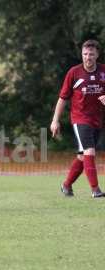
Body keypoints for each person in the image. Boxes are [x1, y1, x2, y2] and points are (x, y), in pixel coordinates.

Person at [51, 39, 105, 198]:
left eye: (91, 54)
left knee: (82, 157)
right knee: (89, 151)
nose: (88, 57)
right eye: (85, 54)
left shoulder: (103, 71)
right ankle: (95, 190)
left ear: (97, 55)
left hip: (97, 121)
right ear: (82, 55)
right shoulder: (74, 73)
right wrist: (55, 120)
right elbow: (62, 98)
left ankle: (66, 186)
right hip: (80, 119)